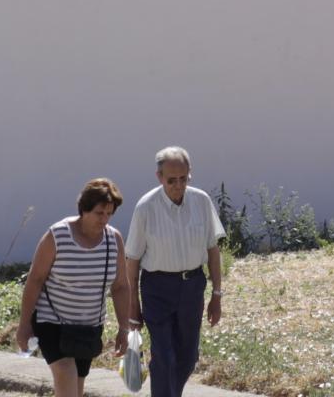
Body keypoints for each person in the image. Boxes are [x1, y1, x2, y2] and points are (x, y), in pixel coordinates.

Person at [16, 178, 132, 397]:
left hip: (88, 328)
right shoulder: (58, 235)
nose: (104, 219)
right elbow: (35, 279)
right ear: (84, 210)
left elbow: (120, 287)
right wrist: (23, 325)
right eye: (99, 213)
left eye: (109, 214)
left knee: (75, 389)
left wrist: (123, 328)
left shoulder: (113, 239)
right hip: (53, 322)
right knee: (66, 375)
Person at [125, 146, 225, 397]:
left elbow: (213, 250)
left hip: (192, 286)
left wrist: (217, 295)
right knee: (164, 356)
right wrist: (132, 305)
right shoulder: (145, 208)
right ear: (159, 177)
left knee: (188, 357)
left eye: (183, 178)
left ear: (189, 174)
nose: (178, 185)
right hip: (157, 288)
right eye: (172, 180)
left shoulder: (201, 201)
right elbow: (132, 260)